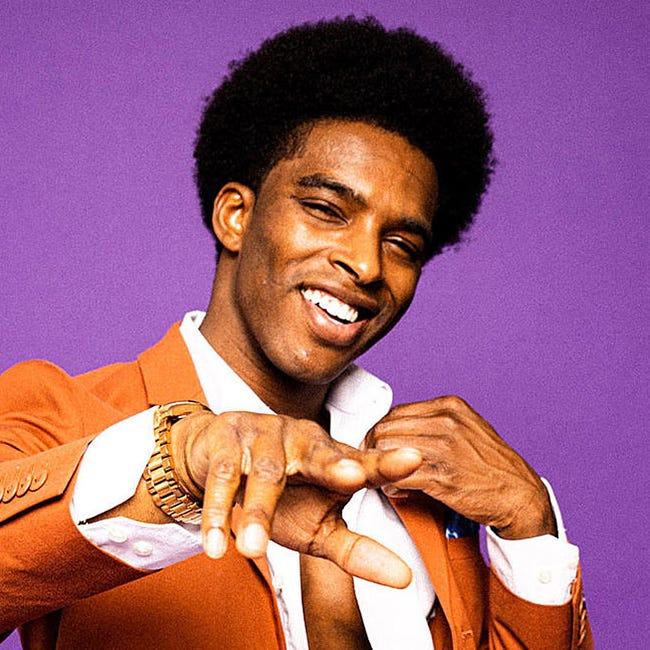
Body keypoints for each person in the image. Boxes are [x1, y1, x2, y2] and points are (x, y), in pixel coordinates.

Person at [0, 16, 591, 650]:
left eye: (401, 243)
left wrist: (531, 531)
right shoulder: (64, 415)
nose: (366, 264)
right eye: (327, 210)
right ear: (236, 215)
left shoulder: (429, 486)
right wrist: (179, 465)